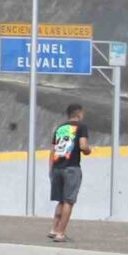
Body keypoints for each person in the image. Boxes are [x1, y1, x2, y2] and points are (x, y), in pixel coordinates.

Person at [49, 104, 92, 243]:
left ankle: (54, 229)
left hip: (56, 168)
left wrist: (51, 170)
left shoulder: (60, 128)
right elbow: (83, 145)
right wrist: (88, 151)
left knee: (61, 200)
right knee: (69, 201)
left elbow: (53, 150)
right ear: (79, 114)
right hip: (71, 168)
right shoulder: (81, 126)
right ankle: (60, 233)